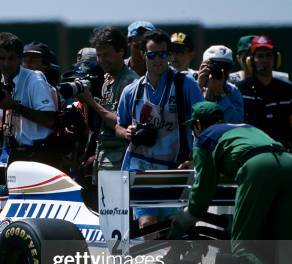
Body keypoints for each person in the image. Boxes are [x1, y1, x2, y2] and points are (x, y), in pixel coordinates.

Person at [170, 101, 292, 264]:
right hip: (287, 162)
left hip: (259, 168)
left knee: (240, 246)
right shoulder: (245, 128)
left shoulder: (205, 139)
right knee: (282, 240)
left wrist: (182, 222)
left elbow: (202, 192)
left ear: (197, 124)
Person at [115, 29, 203, 228]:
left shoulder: (185, 85)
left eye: (163, 54)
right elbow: (118, 125)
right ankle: (154, 260)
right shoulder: (132, 90)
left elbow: (203, 125)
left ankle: (173, 259)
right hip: (140, 167)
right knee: (147, 224)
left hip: (174, 168)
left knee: (172, 228)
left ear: (168, 55)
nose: (158, 60)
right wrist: (126, 132)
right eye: (152, 55)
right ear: (143, 55)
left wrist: (194, 158)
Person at [0, 32, 57, 176]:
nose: (6, 64)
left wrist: (14, 106)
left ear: (19, 58)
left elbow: (50, 120)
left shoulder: (34, 79)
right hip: (9, 157)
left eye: (11, 58)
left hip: (36, 156)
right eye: (2, 58)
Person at [78, 26, 138, 176]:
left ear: (121, 52)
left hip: (121, 163)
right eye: (99, 55)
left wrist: (91, 101)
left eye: (106, 55)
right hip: (106, 159)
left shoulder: (130, 82)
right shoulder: (109, 80)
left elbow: (121, 123)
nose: (102, 60)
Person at [237, 35, 292, 150]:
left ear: (276, 59)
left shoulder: (287, 90)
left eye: (268, 55)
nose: (265, 60)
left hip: (283, 152)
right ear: (250, 61)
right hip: (252, 152)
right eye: (260, 56)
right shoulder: (241, 90)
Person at [196, 45, 243, 124]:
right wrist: (198, 88)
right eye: (216, 66)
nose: (221, 71)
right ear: (203, 66)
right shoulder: (190, 86)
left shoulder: (233, 91)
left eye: (226, 67)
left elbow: (237, 122)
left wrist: (221, 94)